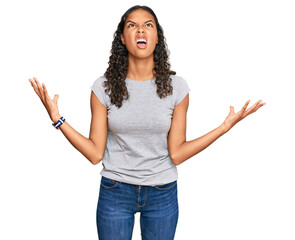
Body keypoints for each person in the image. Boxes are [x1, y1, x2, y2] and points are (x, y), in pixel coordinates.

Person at [28, 5, 266, 240]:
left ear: (156, 39)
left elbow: (178, 154)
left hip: (162, 192)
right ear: (122, 38)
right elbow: (94, 154)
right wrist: (58, 120)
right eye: (132, 25)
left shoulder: (177, 88)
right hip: (115, 191)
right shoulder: (103, 87)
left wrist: (224, 128)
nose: (140, 30)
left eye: (148, 25)